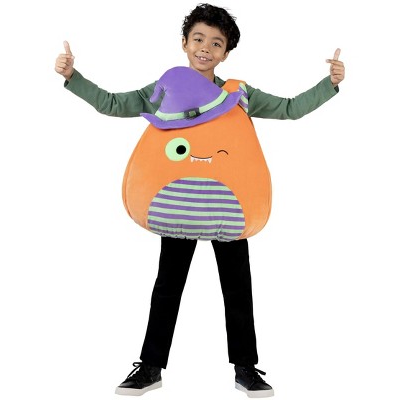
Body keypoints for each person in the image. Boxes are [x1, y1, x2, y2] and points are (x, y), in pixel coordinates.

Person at [55, 3, 345, 398]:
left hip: (228, 203)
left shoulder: (238, 94)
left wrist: (329, 84)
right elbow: (113, 104)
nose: (205, 48)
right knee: (167, 286)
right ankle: (150, 367)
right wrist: (73, 77)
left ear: (226, 53)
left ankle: (246, 368)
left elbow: (290, 109)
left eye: (216, 43)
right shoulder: (164, 90)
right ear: (184, 43)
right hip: (181, 202)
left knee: (237, 288)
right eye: (198, 39)